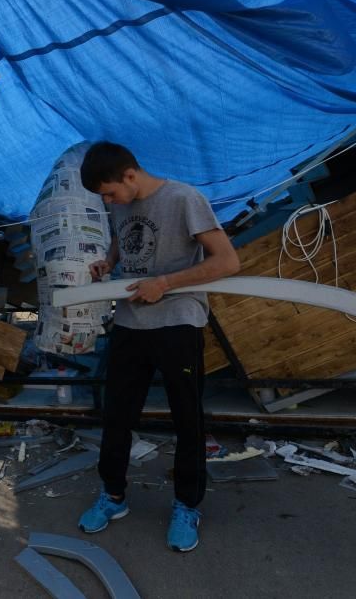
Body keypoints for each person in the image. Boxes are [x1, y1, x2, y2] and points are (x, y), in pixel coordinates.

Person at [76, 141, 240, 552]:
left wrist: (164, 284)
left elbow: (226, 262)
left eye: (110, 193)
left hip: (177, 321)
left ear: (130, 175)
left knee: (187, 420)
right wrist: (109, 263)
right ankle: (113, 496)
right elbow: (122, 238)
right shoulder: (119, 202)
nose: (108, 202)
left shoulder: (184, 198)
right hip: (131, 323)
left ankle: (187, 505)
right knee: (116, 416)